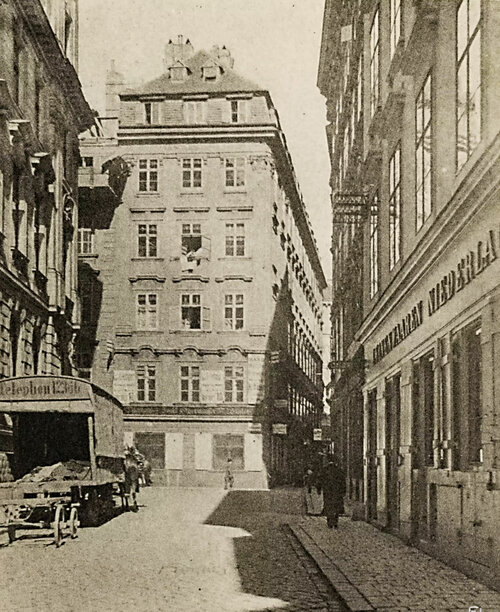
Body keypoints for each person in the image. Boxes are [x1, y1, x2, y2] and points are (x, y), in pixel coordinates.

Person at [320, 455, 346, 528]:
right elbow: (343, 482)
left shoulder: (325, 470)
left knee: (328, 505)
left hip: (327, 491)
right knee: (336, 506)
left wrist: (320, 489)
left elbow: (321, 480)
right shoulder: (339, 470)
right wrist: (343, 491)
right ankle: (335, 522)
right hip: (337, 491)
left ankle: (329, 522)